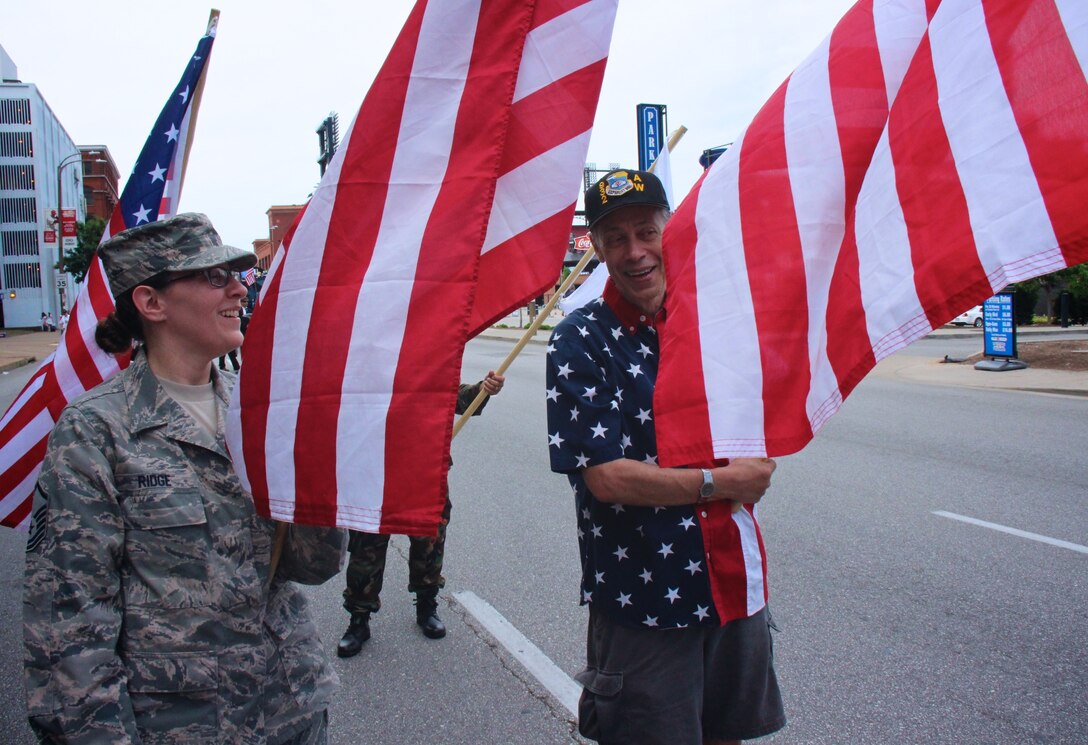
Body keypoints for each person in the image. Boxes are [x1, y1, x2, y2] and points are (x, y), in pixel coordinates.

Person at [23, 213, 346, 744]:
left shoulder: (260, 408)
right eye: (214, 277)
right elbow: (69, 628)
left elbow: (310, 568)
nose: (240, 288)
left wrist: (320, 475)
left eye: (236, 275)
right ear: (152, 303)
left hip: (288, 707)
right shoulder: (96, 431)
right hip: (180, 726)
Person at [545, 170, 785, 745]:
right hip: (645, 598)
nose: (635, 252)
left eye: (647, 232)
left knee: (727, 735)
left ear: (670, 231)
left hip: (732, 584)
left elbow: (756, 431)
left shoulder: (712, 325)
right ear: (597, 249)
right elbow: (606, 478)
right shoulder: (579, 339)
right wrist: (718, 483)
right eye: (616, 238)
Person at [337, 371, 504, 657]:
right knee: (367, 547)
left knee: (429, 540)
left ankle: (427, 605)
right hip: (374, 467)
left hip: (422, 468)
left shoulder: (424, 361)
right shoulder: (367, 361)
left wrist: (483, 389)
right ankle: (359, 619)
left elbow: (455, 398)